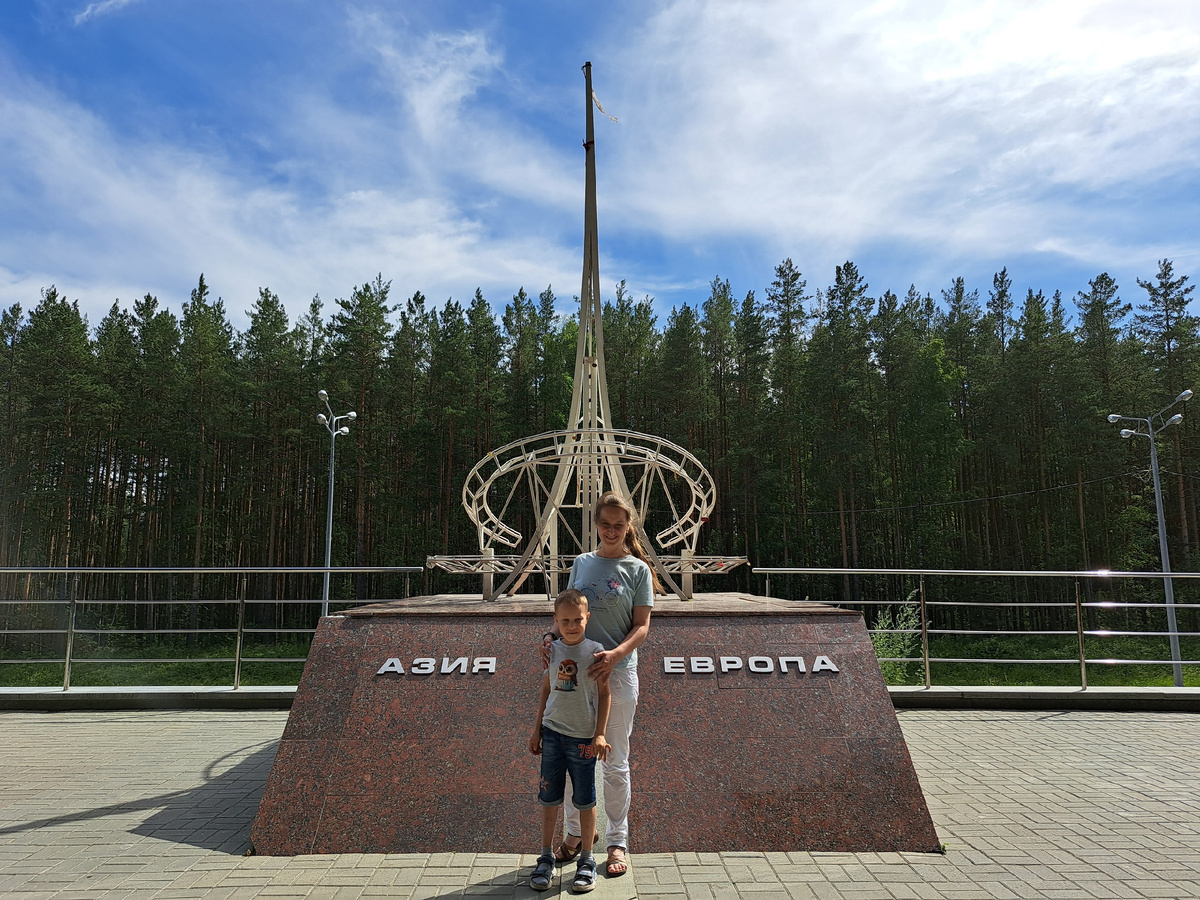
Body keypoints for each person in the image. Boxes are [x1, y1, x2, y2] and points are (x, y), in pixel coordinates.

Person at [548, 491, 657, 879]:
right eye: (605, 524)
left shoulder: (637, 570)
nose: (612, 531)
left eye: (618, 525)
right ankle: (576, 834)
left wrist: (615, 655)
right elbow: (568, 610)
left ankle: (616, 842)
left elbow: (642, 626)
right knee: (571, 758)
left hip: (618, 674)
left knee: (614, 761)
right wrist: (549, 637)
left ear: (628, 527)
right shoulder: (582, 563)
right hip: (577, 677)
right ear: (596, 524)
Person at [528, 589, 611, 893]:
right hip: (552, 733)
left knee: (585, 800)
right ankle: (545, 857)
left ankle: (587, 859)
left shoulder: (596, 652)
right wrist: (537, 729)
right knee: (549, 799)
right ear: (556, 620)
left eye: (577, 620)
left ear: (587, 618)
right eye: (565, 621)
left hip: (582, 738)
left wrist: (600, 733)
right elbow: (546, 689)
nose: (572, 626)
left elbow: (605, 694)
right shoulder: (552, 651)